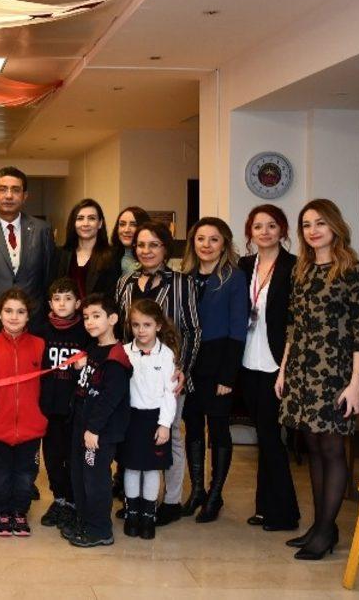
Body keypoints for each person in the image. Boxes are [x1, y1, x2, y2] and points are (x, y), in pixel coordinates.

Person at [276, 198, 359, 560]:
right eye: (306, 224)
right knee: (312, 447)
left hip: (335, 373)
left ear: (334, 226)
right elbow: (292, 325)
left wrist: (357, 382)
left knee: (331, 448)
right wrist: (284, 369)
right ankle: (320, 526)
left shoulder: (353, 271)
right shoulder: (300, 270)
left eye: (319, 223)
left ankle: (327, 530)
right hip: (302, 369)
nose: (313, 230)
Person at [114, 221, 199, 525]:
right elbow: (121, 330)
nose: (146, 251)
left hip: (168, 373)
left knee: (170, 433)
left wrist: (182, 369)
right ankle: (135, 500)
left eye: (153, 245)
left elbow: (193, 330)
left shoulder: (182, 283)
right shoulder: (125, 282)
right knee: (133, 434)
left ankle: (171, 501)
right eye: (141, 245)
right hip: (133, 374)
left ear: (165, 248)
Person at [180, 217, 248, 523]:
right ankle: (197, 490)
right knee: (192, 425)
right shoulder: (185, 277)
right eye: (200, 239)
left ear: (224, 244)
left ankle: (215, 494)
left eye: (214, 239)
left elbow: (238, 330)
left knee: (218, 428)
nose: (206, 245)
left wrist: (228, 376)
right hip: (191, 363)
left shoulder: (234, 277)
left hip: (220, 361)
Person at [239, 204, 300, 532]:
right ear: (250, 232)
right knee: (264, 437)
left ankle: (285, 513)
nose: (265, 232)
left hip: (276, 363)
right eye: (258, 226)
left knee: (271, 437)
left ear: (283, 231)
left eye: (272, 225)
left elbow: (295, 322)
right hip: (248, 361)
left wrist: (285, 369)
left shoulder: (294, 266)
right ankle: (265, 507)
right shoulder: (244, 265)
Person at [0, 288, 47, 537]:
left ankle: (20, 512)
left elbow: (47, 385)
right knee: (0, 474)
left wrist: (41, 413)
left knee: (25, 474)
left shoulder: (40, 345)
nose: (14, 317)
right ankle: (3, 512)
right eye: (8, 311)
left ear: (28, 315)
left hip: (30, 426)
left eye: (20, 311)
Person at [65, 294, 131, 548]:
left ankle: (100, 529)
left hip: (99, 431)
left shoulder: (116, 357)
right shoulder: (93, 349)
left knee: (95, 479)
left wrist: (94, 429)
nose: (90, 322)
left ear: (112, 319)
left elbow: (110, 398)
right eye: (86, 317)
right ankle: (84, 521)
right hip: (81, 425)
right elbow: (87, 387)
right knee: (79, 474)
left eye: (96, 316)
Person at [0, 167, 56, 328]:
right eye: (2, 189)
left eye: (15, 190)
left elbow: (49, 278)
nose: (9, 195)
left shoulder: (42, 230)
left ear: (25, 196)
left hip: (33, 320)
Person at [120, 299, 180, 541]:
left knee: (153, 469)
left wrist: (165, 424)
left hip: (155, 419)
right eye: (136, 325)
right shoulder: (124, 352)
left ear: (158, 326)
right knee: (132, 467)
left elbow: (170, 393)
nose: (141, 330)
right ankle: (132, 512)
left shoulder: (166, 355)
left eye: (147, 325)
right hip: (130, 419)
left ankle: (148, 514)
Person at [37, 277, 89, 529]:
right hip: (49, 406)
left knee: (73, 456)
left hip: (75, 408)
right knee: (53, 457)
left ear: (78, 303)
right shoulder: (42, 330)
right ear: (50, 303)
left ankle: (73, 501)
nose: (62, 304)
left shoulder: (85, 331)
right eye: (57, 299)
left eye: (68, 299)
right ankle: (59, 499)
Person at [57, 199, 120, 300]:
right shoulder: (61, 255)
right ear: (73, 223)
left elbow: (111, 296)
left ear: (100, 223)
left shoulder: (112, 256)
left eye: (91, 218)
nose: (85, 223)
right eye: (80, 218)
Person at [110, 207, 151, 278]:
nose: (126, 230)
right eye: (122, 224)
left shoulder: (154, 257)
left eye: (133, 225)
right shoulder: (107, 258)